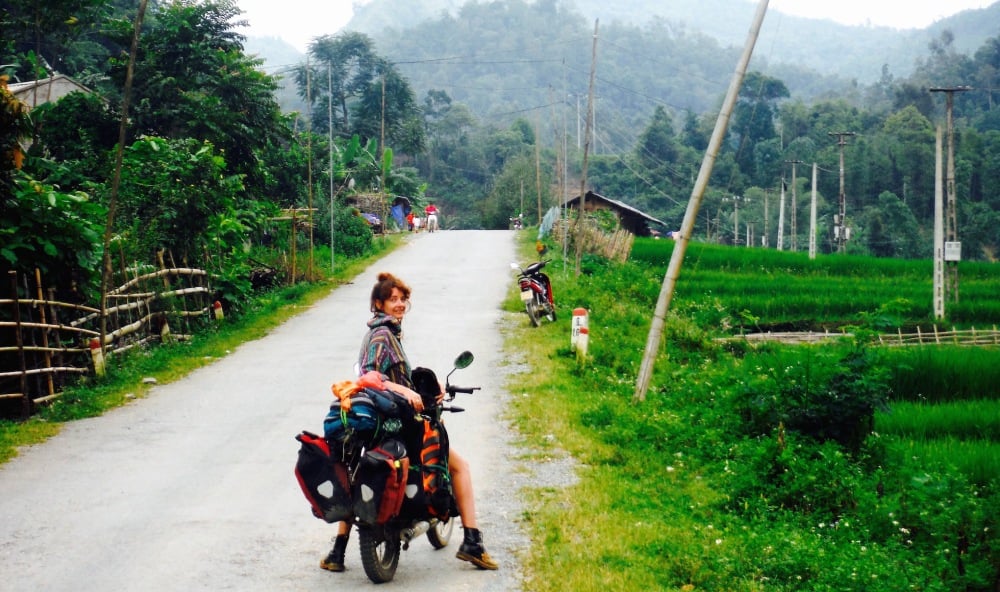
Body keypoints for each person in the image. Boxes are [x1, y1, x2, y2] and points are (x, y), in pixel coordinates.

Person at [321, 272, 498, 572]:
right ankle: (472, 542)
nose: (400, 304)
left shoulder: (386, 332)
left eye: (403, 299)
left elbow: (388, 376)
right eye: (393, 300)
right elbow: (369, 378)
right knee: (460, 467)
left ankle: (337, 551)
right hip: (398, 424)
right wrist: (405, 391)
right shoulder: (381, 335)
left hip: (382, 422)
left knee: (357, 472)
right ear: (378, 303)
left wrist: (422, 388)